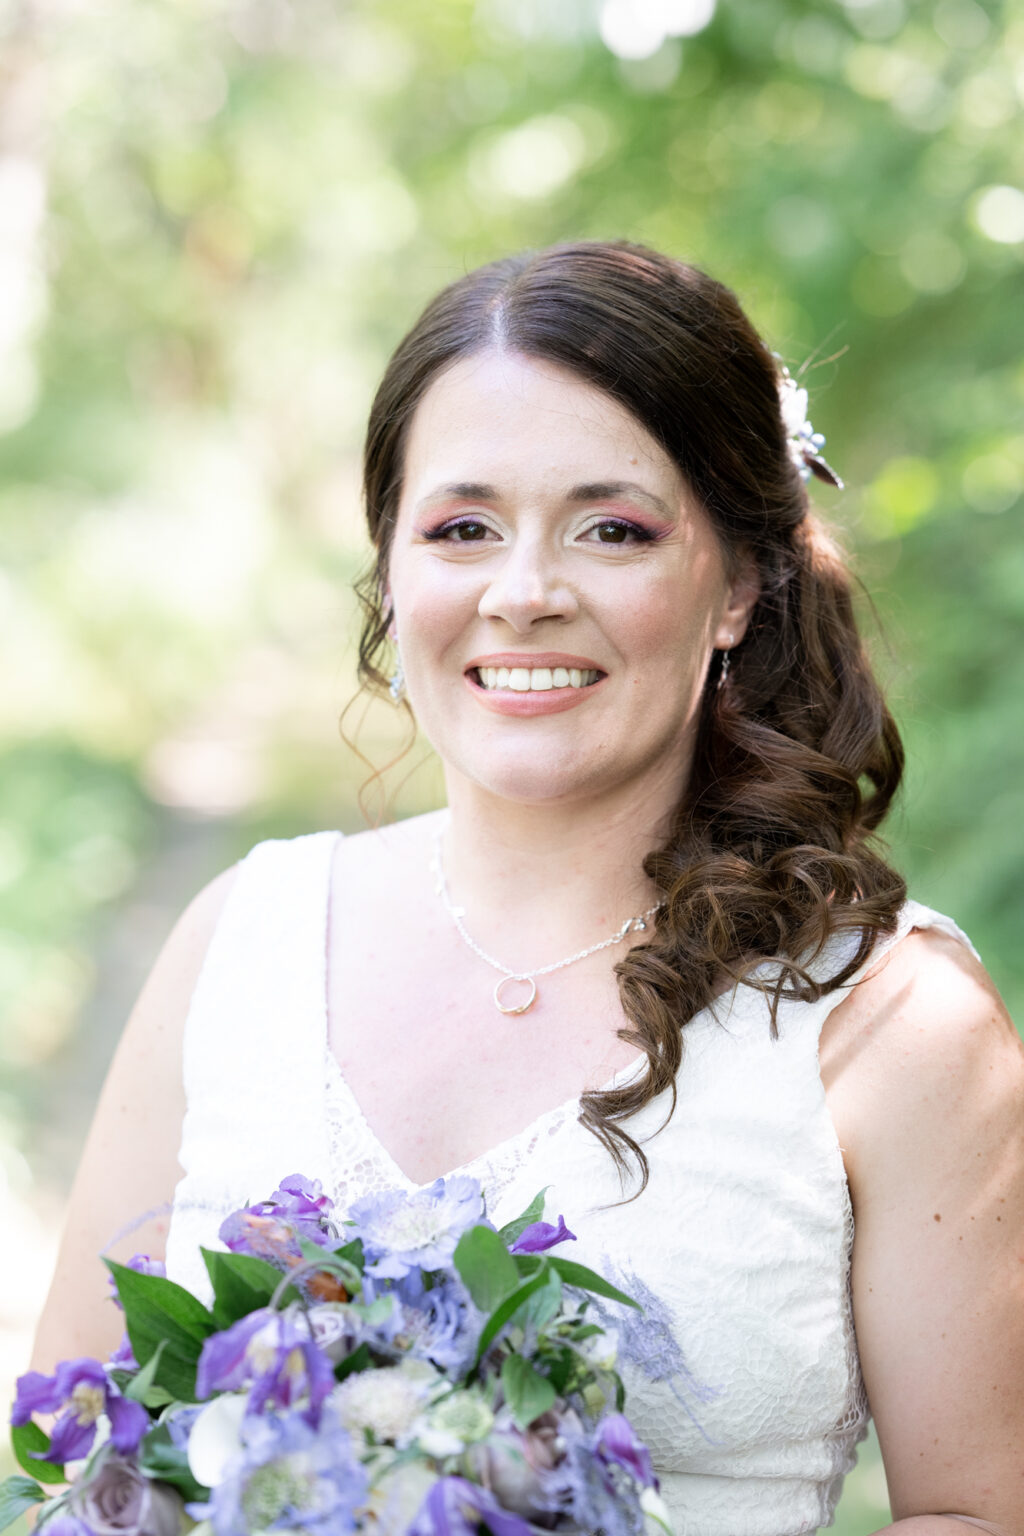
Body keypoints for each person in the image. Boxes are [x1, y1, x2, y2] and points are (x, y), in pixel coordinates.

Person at [29, 241, 1024, 1536]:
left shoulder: (896, 1026)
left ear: (737, 584)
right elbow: (70, 1457)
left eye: (612, 529)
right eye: (463, 528)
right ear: (392, 571)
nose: (525, 592)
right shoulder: (243, 939)